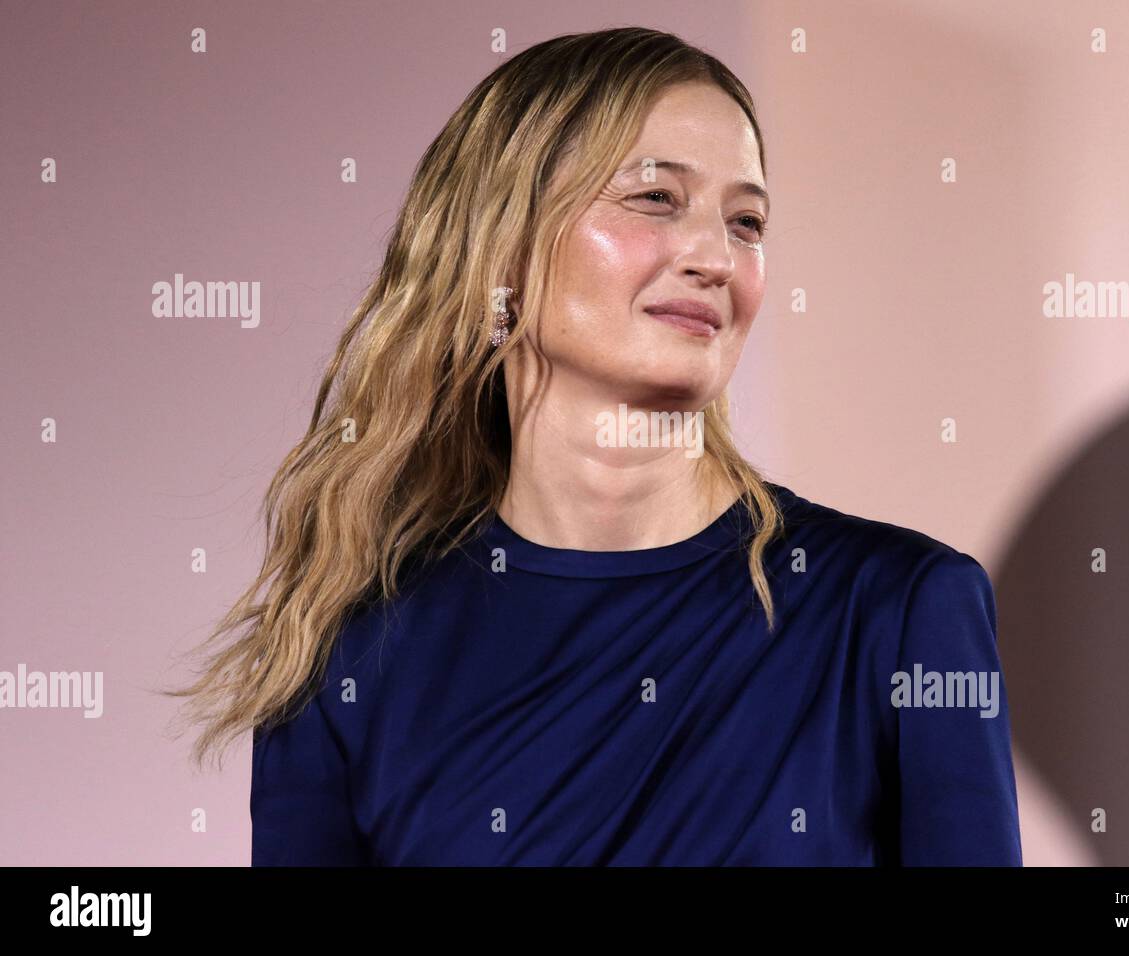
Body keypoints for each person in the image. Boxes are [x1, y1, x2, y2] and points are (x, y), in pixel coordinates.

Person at [169, 26, 1022, 866]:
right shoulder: (349, 647)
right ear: (498, 246)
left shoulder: (900, 608)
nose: (716, 257)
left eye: (747, 222)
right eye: (655, 198)